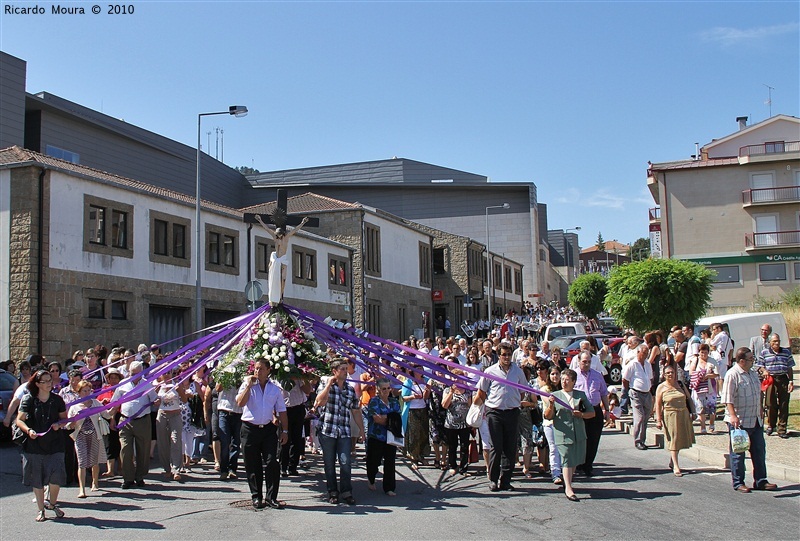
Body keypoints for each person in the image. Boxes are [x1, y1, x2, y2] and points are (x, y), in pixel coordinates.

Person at [721, 347, 777, 493]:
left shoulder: (752, 374)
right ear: (741, 361)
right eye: (751, 359)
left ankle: (761, 480)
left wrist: (760, 412)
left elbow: (758, 394)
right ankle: (739, 482)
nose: (753, 361)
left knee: (759, 451)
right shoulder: (732, 375)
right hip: (739, 422)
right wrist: (733, 416)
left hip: (755, 420)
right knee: (738, 453)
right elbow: (727, 399)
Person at [473, 342, 528, 492]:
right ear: (499, 355)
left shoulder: (518, 371)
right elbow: (482, 391)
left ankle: (506, 481)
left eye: (509, 354)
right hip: (494, 412)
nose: (507, 357)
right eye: (504, 354)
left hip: (512, 412)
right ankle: (493, 479)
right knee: (496, 447)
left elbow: (522, 391)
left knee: (510, 448)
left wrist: (513, 401)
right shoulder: (490, 371)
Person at [236, 359, 289, 510]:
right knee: (253, 464)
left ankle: (271, 497)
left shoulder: (275, 389)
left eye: (260, 369)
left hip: (267, 429)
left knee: (272, 462)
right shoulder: (248, 385)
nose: (257, 372)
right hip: (249, 429)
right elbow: (240, 403)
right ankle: (256, 496)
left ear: (268, 371)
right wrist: (248, 386)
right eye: (255, 368)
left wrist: (285, 431)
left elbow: (282, 411)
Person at [15, 369, 68, 522]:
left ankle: (51, 504)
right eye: (45, 381)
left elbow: (64, 418)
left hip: (55, 443)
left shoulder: (57, 400)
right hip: (34, 444)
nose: (49, 384)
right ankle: (40, 510)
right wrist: (28, 430)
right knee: (36, 478)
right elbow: (19, 420)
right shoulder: (29, 399)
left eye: (50, 380)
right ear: (37, 384)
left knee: (56, 476)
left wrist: (59, 424)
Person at [314, 357, 364, 505]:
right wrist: (329, 385)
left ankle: (346, 491)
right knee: (329, 464)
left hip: (344, 431)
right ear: (334, 371)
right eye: (342, 369)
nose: (345, 371)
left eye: (346, 368)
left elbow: (355, 411)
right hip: (327, 430)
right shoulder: (325, 384)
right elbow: (319, 402)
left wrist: (362, 430)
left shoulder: (349, 389)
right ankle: (332, 491)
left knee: (345, 462)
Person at [544, 369, 595, 502]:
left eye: (567, 380)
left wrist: (581, 415)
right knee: (566, 458)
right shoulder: (555, 395)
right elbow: (548, 416)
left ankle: (568, 481)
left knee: (574, 460)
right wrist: (550, 404)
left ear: (573, 381)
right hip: (562, 433)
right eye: (562, 379)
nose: (564, 382)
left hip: (578, 433)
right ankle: (568, 488)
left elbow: (592, 413)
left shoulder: (580, 395)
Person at [110, 361, 159, 489]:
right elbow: (115, 402)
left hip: (142, 420)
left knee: (143, 450)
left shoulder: (147, 384)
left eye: (136, 373)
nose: (134, 376)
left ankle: (140, 476)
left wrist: (157, 401)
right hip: (125, 420)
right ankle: (128, 478)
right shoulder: (122, 384)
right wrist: (112, 418)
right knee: (125, 450)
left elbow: (155, 400)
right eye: (132, 373)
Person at [66, 380, 111, 497]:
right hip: (80, 436)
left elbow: (107, 415)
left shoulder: (96, 403)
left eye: (89, 390)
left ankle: (95, 482)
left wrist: (114, 406)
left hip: (95, 434)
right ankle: (82, 489)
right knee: (82, 462)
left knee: (94, 461)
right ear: (79, 392)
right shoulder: (74, 407)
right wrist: (73, 421)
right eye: (84, 391)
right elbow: (68, 425)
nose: (87, 393)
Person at [255, 214, 309, 304]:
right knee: (273, 279)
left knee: (283, 279)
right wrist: (260, 220)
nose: (279, 237)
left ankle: (280, 296)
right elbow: (267, 229)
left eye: (280, 235)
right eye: (277, 235)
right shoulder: (275, 237)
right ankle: (273, 298)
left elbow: (295, 230)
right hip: (276, 259)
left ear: (282, 234)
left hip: (283, 260)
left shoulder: (286, 238)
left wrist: (302, 222)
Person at [573, 351, 609, 476]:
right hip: (580, 410)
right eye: (584, 361)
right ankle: (579, 465)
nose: (587, 364)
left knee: (593, 440)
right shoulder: (573, 375)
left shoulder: (597, 375)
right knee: (580, 440)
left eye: (589, 361)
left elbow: (604, 393)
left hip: (595, 410)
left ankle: (588, 465)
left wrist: (607, 410)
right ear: (579, 361)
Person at [654, 365, 695, 476]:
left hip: (683, 413)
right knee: (674, 439)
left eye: (672, 372)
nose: (670, 374)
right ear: (664, 375)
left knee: (681, 439)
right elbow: (658, 405)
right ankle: (676, 466)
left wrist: (694, 412)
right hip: (670, 415)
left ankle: (673, 460)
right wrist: (658, 419)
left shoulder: (680, 384)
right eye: (668, 373)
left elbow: (689, 398)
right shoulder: (661, 387)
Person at [366, 377, 401, 495]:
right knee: (374, 461)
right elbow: (377, 419)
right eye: (383, 388)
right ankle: (371, 478)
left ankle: (389, 488)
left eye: (388, 388)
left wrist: (388, 418)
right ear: (378, 389)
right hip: (376, 436)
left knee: (390, 462)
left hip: (391, 436)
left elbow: (397, 418)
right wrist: (391, 418)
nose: (386, 390)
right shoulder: (374, 401)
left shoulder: (394, 402)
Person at [756, 334, 794, 439]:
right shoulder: (765, 352)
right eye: (774, 341)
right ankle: (771, 425)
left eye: (778, 341)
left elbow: (789, 367)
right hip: (770, 379)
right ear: (770, 342)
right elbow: (760, 366)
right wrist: (764, 371)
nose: (776, 343)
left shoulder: (786, 352)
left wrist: (790, 381)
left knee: (784, 404)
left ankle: (782, 428)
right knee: (770, 403)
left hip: (782, 378)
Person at [156, 368, 187, 481]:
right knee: (163, 442)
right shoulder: (159, 386)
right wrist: (156, 401)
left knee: (175, 440)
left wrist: (180, 391)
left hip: (175, 415)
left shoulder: (177, 385)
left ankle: (176, 469)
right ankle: (167, 468)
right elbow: (154, 402)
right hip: (162, 415)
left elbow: (184, 400)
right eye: (164, 373)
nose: (167, 375)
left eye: (169, 373)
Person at [278, 377, 312, 477]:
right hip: (284, 410)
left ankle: (293, 467)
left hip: (298, 408)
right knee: (284, 439)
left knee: (297, 439)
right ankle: (283, 467)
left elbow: (307, 390)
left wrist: (303, 377)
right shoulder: (278, 375)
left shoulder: (298, 375)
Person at [622, 344, 653, 450]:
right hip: (636, 392)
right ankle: (638, 440)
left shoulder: (648, 364)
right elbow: (625, 379)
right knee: (639, 417)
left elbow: (650, 378)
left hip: (647, 393)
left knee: (646, 417)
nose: (645, 355)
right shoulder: (632, 364)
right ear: (638, 352)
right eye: (643, 353)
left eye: (647, 353)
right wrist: (628, 391)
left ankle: (642, 439)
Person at [688, 344, 717, 434]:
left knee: (712, 406)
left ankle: (711, 424)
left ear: (708, 352)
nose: (703, 354)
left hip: (710, 387)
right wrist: (699, 375)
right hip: (699, 387)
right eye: (701, 352)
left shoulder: (712, 361)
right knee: (701, 407)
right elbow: (691, 372)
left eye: (705, 352)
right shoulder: (695, 360)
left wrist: (707, 375)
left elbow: (717, 373)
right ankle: (703, 427)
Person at [541, 366, 563, 485]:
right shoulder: (544, 389)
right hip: (550, 424)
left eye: (557, 374)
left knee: (563, 449)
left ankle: (565, 471)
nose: (555, 376)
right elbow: (550, 405)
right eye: (552, 374)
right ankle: (555, 473)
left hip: (563, 423)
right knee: (554, 448)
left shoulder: (564, 389)